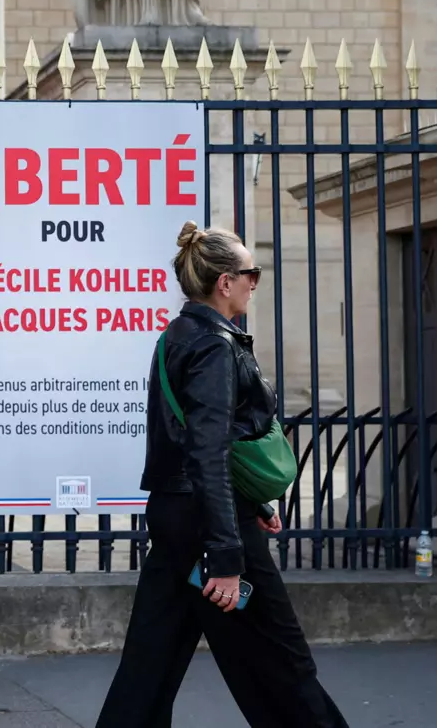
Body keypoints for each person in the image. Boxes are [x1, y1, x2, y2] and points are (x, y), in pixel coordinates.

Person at [95, 222, 349, 727]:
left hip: (177, 517)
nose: (256, 281)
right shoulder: (214, 346)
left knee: (149, 668)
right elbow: (208, 451)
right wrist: (227, 557)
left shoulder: (178, 336)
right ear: (224, 283)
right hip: (210, 524)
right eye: (249, 272)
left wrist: (256, 506)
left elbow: (207, 443)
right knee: (282, 662)